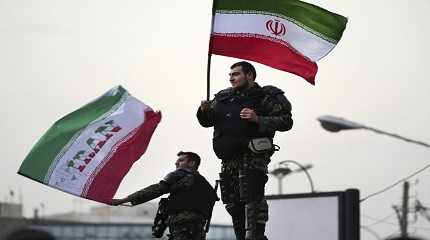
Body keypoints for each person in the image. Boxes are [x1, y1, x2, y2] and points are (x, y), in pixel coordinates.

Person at [197, 61, 293, 240]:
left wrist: (258, 119)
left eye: (236, 74)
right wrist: (204, 111)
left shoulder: (265, 96)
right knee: (234, 206)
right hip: (228, 159)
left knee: (252, 203)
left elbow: (286, 121)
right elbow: (207, 121)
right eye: (230, 75)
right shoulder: (223, 97)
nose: (231, 78)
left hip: (252, 157)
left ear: (249, 75)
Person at [112, 151, 218, 240]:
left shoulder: (180, 174)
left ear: (192, 163)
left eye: (181, 160)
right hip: (199, 228)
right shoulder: (205, 184)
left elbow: (155, 190)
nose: (176, 163)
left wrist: (123, 200)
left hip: (182, 226)